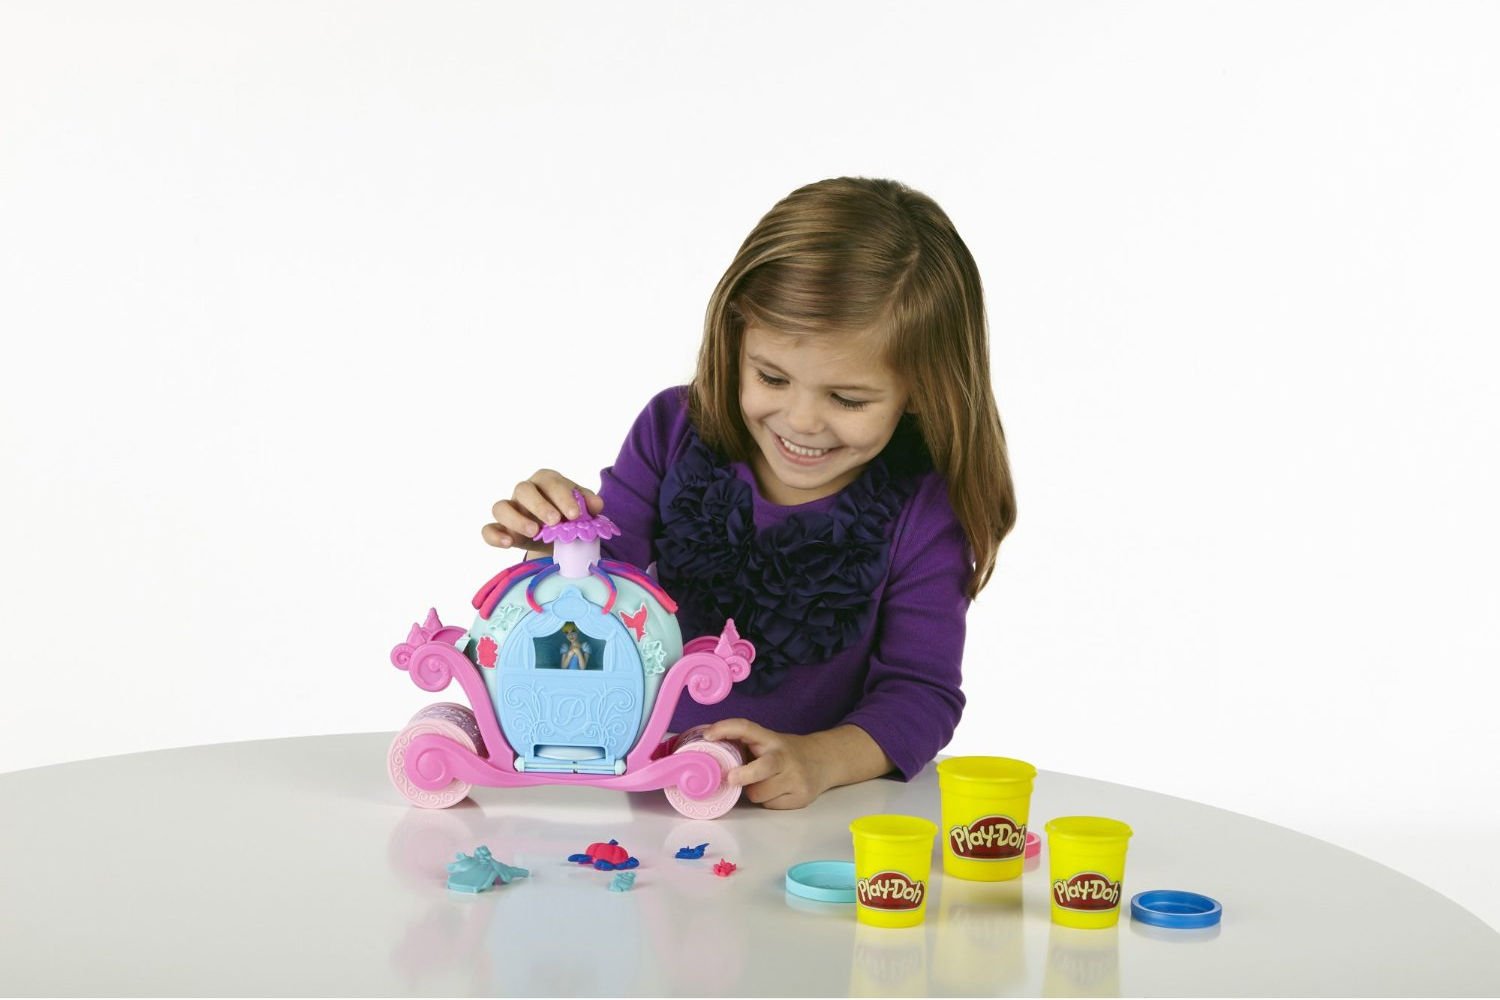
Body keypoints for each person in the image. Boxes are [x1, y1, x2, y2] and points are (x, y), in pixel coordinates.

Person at [483, 177, 1016, 809]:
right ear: (736, 339)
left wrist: (818, 759)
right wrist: (556, 540)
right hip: (645, 802)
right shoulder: (670, 431)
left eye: (848, 399)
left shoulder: (923, 509)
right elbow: (600, 591)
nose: (803, 421)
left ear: (923, 390)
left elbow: (921, 694)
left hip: (805, 819)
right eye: (772, 377)